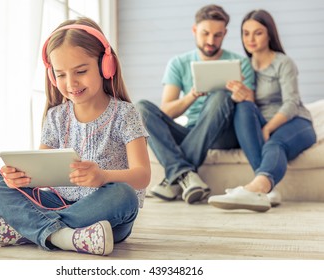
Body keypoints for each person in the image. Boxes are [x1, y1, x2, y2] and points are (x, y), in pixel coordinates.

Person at [0, 17, 151, 256]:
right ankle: (64, 236)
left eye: (81, 71)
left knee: (124, 195)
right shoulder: (56, 116)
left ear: (105, 65)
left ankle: (30, 228)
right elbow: (39, 175)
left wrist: (102, 176)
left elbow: (142, 176)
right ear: (52, 77)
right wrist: (18, 178)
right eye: (60, 75)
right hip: (60, 202)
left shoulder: (125, 113)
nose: (71, 83)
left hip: (106, 215)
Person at [136, 4, 255, 204]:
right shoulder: (178, 63)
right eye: (205, 33)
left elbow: (251, 109)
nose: (211, 41)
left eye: (217, 35)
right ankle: (185, 176)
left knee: (220, 96)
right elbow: (167, 111)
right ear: (194, 30)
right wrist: (192, 95)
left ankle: (173, 177)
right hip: (192, 131)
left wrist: (242, 94)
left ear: (225, 33)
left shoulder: (240, 63)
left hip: (225, 134)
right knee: (141, 108)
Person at [208, 9, 317, 212]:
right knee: (243, 106)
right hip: (261, 122)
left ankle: (255, 189)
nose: (250, 38)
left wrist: (267, 129)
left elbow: (292, 103)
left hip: (295, 122)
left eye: (257, 32)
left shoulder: (283, 63)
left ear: (269, 34)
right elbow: (248, 108)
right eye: (246, 33)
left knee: (274, 144)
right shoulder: (243, 67)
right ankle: (266, 191)